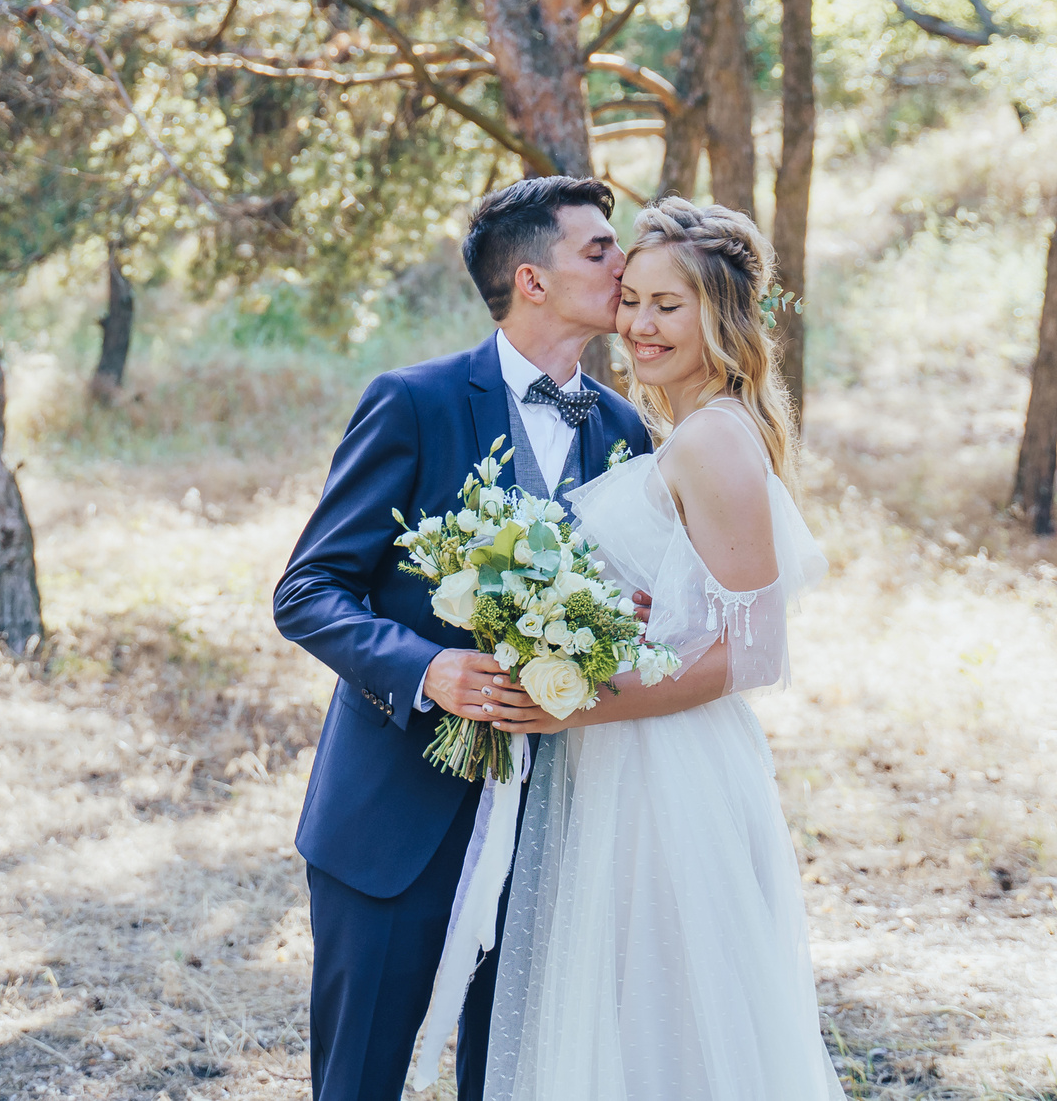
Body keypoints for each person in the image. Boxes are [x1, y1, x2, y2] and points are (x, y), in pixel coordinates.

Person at [272, 176, 653, 1101]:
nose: (624, 262)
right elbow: (308, 590)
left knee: (514, 1079)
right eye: (599, 248)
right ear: (531, 278)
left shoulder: (629, 432)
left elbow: (645, 607)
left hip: (556, 821)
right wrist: (428, 666)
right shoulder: (414, 401)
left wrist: (623, 628)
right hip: (393, 818)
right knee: (357, 1080)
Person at [479, 196, 844, 1101]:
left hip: (671, 767)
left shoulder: (715, 436)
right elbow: (697, 606)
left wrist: (582, 698)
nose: (639, 325)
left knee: (672, 1022)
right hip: (630, 753)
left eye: (668, 306)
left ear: (719, 313)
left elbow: (754, 653)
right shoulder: (683, 429)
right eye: (631, 298)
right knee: (633, 1014)